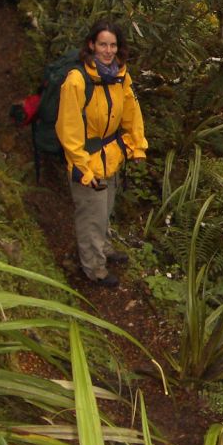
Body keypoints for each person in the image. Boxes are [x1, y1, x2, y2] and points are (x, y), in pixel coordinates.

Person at [57, 20, 147, 286]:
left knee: (105, 210)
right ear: (91, 45)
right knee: (90, 216)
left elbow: (132, 112)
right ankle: (94, 268)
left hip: (110, 155)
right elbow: (68, 129)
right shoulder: (77, 81)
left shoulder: (119, 75)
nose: (108, 50)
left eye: (112, 45)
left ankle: (104, 248)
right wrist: (83, 168)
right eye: (102, 44)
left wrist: (137, 145)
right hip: (87, 159)